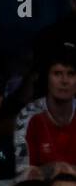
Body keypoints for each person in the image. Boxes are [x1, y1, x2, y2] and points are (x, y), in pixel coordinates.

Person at [14, 44, 76, 175]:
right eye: (57, 73)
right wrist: (52, 169)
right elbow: (23, 174)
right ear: (46, 78)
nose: (64, 81)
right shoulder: (27, 116)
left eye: (71, 74)